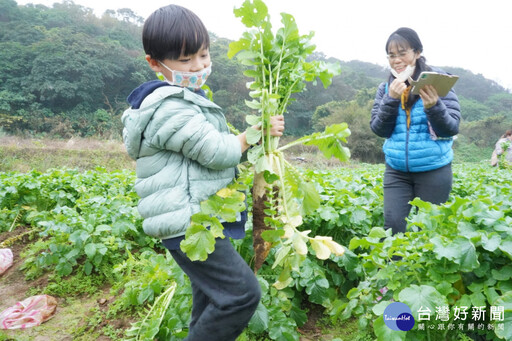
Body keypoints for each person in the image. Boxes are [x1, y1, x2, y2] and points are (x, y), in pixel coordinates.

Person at [121, 5, 285, 341]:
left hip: (200, 219)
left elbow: (219, 153)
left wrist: (256, 140)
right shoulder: (168, 107)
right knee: (242, 294)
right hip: (189, 222)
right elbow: (217, 151)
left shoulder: (188, 101)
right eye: (185, 60)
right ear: (155, 63)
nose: (198, 66)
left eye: (203, 55)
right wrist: (252, 134)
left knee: (212, 299)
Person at [370, 27, 461, 235]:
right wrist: (391, 100)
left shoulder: (438, 82)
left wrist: (434, 106)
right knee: (392, 226)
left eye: (403, 53)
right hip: (397, 170)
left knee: (428, 230)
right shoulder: (386, 88)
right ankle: (393, 267)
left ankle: (422, 268)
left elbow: (451, 128)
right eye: (392, 56)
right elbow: (379, 129)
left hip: (434, 169)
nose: (397, 60)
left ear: (417, 52)